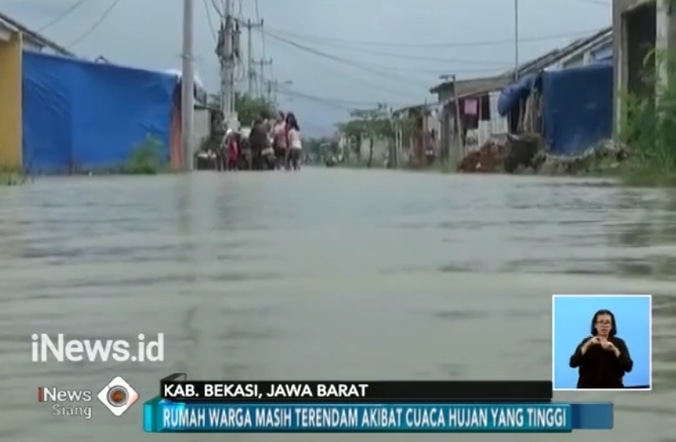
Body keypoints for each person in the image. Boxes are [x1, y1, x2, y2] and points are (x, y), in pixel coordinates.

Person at [568, 309, 633, 389]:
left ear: (612, 326)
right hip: (588, 390)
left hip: (613, 389)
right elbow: (573, 363)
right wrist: (587, 345)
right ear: (595, 325)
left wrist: (615, 350)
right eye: (601, 322)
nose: (604, 325)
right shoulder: (587, 342)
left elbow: (628, 367)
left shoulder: (619, 343)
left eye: (607, 322)